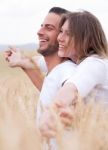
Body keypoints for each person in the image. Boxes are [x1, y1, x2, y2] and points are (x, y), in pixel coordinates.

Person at [5, 7, 77, 149]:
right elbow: (50, 93)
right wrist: (24, 64)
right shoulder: (58, 72)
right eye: (41, 26)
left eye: (49, 28)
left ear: (64, 36)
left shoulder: (69, 74)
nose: (39, 32)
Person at [39, 10, 108, 139]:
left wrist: (51, 113)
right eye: (61, 31)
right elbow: (41, 63)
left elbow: (71, 89)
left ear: (86, 39)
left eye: (68, 34)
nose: (60, 38)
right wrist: (23, 61)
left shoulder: (94, 64)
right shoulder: (77, 64)